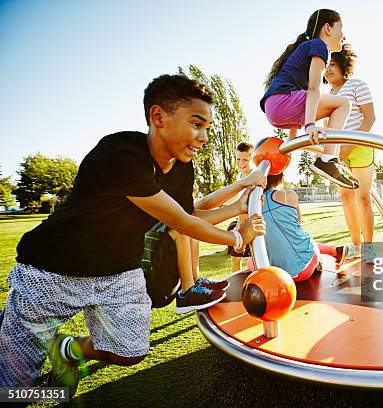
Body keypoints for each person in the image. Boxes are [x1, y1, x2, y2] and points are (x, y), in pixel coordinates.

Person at [0, 74, 266, 393]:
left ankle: (67, 349)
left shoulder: (183, 168)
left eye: (207, 127)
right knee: (12, 385)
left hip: (118, 273)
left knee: (130, 352)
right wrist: (238, 237)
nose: (203, 136)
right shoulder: (120, 153)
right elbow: (182, 222)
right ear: (158, 117)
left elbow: (189, 214)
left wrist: (238, 206)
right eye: (196, 123)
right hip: (53, 271)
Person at [141, 169, 266, 314]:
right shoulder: (157, 197)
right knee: (183, 225)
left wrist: (238, 205)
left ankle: (195, 280)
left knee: (189, 224)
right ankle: (188, 292)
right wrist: (237, 237)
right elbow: (191, 215)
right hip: (152, 284)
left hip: (162, 280)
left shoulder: (169, 196)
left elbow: (200, 207)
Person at [261, 9, 358, 189]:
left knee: (330, 117)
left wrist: (292, 141)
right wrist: (310, 125)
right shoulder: (320, 46)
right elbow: (313, 89)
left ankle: (330, 159)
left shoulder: (306, 50)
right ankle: (328, 159)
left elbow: (302, 92)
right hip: (282, 101)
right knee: (343, 104)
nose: (343, 35)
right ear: (327, 28)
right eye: (341, 28)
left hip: (275, 109)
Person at [323, 44, 378, 263]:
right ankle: (356, 245)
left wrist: (350, 146)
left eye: (333, 64)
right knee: (345, 198)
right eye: (325, 66)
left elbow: (369, 118)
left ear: (343, 65)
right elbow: (328, 125)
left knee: (363, 198)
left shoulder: (357, 85)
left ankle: (369, 248)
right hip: (339, 151)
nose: (328, 69)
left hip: (361, 146)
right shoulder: (328, 95)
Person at [247, 173, 345, 281]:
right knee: (304, 240)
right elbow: (298, 227)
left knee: (251, 262)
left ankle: (334, 251)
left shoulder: (251, 204)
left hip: (274, 277)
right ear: (281, 178)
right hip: (304, 270)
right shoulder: (289, 195)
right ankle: (333, 251)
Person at [227, 142, 255, 272]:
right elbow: (237, 199)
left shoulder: (255, 175)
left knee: (255, 258)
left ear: (253, 159)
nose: (241, 163)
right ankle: (234, 285)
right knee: (235, 258)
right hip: (241, 222)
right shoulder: (239, 177)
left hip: (253, 223)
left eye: (245, 160)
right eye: (238, 159)